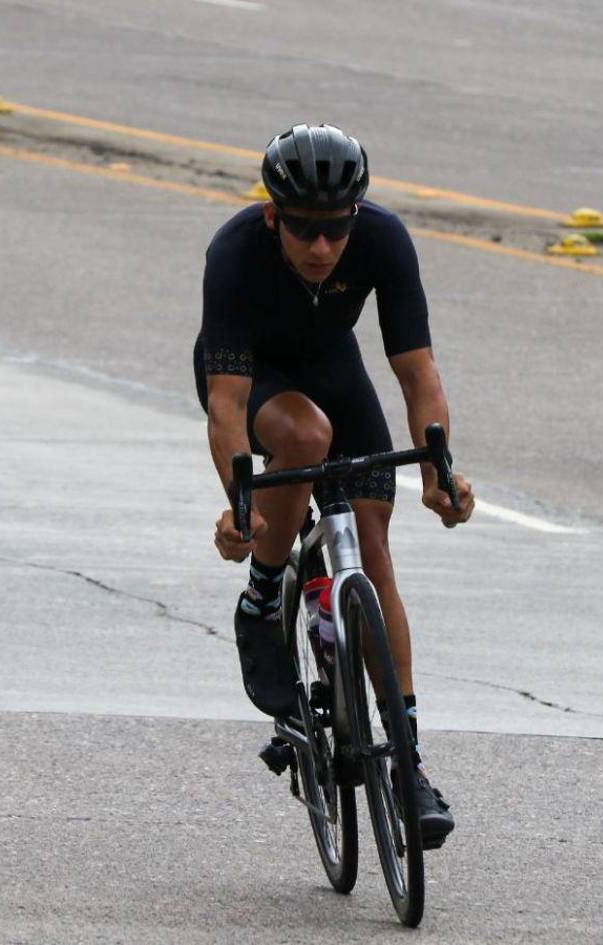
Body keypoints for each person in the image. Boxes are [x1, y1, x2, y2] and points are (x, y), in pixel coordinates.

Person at [194, 122, 474, 847]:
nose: (321, 246)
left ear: (356, 216)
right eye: (303, 229)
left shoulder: (383, 239)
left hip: (333, 372)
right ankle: (263, 597)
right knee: (306, 437)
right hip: (256, 378)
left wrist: (439, 473)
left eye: (336, 229)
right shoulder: (235, 251)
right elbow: (226, 403)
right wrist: (241, 505)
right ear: (273, 217)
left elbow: (418, 371)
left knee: (373, 550)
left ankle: (408, 762)